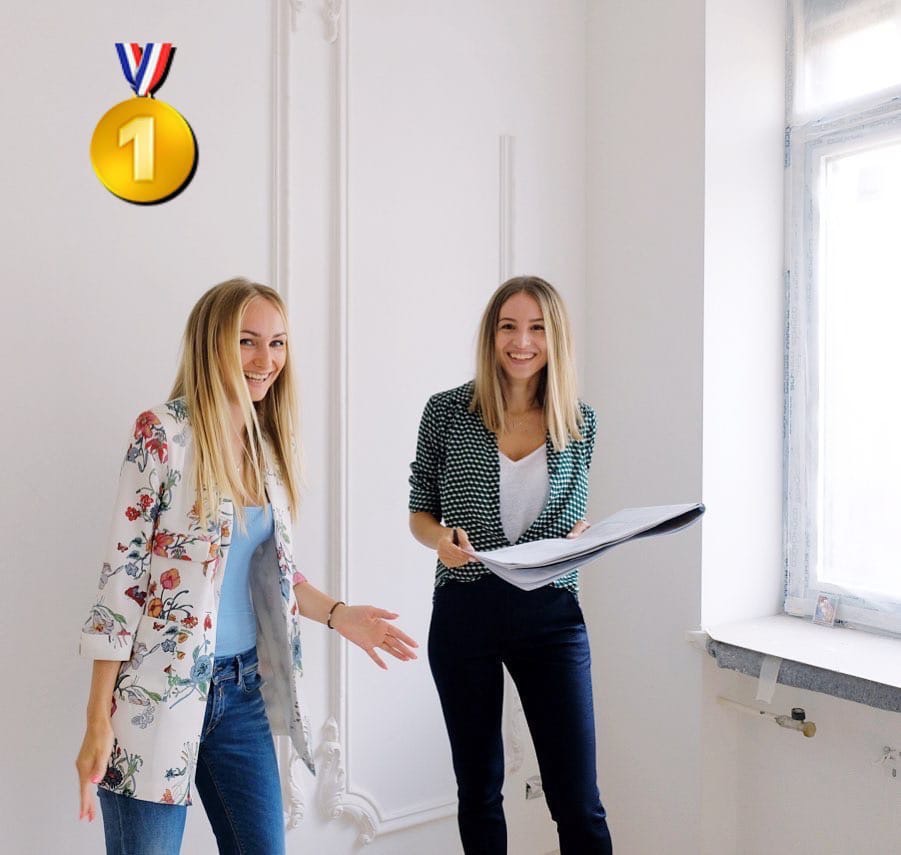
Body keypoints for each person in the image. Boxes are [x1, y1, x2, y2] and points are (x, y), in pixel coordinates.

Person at [76, 277, 418, 855]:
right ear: (212, 343)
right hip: (155, 694)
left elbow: (274, 573)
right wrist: (96, 720)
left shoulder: (268, 443)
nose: (266, 360)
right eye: (248, 341)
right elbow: (121, 581)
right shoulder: (163, 434)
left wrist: (340, 615)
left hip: (242, 691)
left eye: (278, 343)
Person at [408, 276, 613, 854]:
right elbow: (419, 511)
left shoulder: (579, 420)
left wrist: (581, 538)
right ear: (491, 334)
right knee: (479, 790)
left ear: (555, 337)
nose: (522, 342)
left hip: (551, 614)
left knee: (578, 800)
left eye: (537, 328)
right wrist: (441, 540)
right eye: (509, 327)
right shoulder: (447, 412)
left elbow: (571, 516)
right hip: (465, 608)